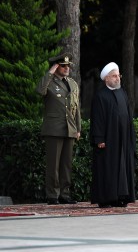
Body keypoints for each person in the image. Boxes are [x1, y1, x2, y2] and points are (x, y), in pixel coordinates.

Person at [35, 52, 81, 205]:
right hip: (54, 129)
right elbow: (40, 90)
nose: (66, 68)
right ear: (56, 67)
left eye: (68, 66)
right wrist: (49, 73)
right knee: (53, 164)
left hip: (70, 129)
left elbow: (76, 108)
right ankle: (52, 195)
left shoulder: (73, 84)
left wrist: (78, 129)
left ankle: (65, 194)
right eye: (63, 66)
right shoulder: (49, 82)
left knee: (66, 164)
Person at [90, 62, 136, 208]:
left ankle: (121, 197)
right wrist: (99, 139)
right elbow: (97, 119)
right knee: (108, 168)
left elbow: (128, 117)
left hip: (123, 140)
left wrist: (131, 137)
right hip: (108, 140)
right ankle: (106, 199)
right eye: (114, 76)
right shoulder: (100, 96)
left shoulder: (122, 93)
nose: (118, 79)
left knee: (123, 167)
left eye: (118, 76)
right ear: (106, 79)